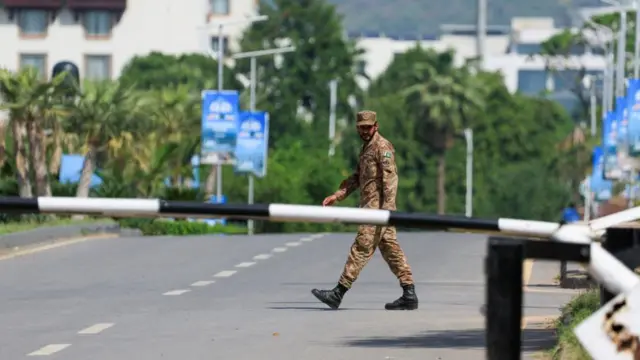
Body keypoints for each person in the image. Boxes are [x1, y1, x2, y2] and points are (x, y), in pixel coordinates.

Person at [311, 110, 418, 310]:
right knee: (392, 251)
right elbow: (358, 177)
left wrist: (387, 212)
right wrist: (338, 195)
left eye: (368, 127)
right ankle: (409, 293)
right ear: (357, 128)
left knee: (361, 248)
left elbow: (390, 180)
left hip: (378, 211)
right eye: (362, 128)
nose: (365, 131)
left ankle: (338, 292)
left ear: (375, 126)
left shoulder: (382, 146)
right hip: (374, 209)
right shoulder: (366, 148)